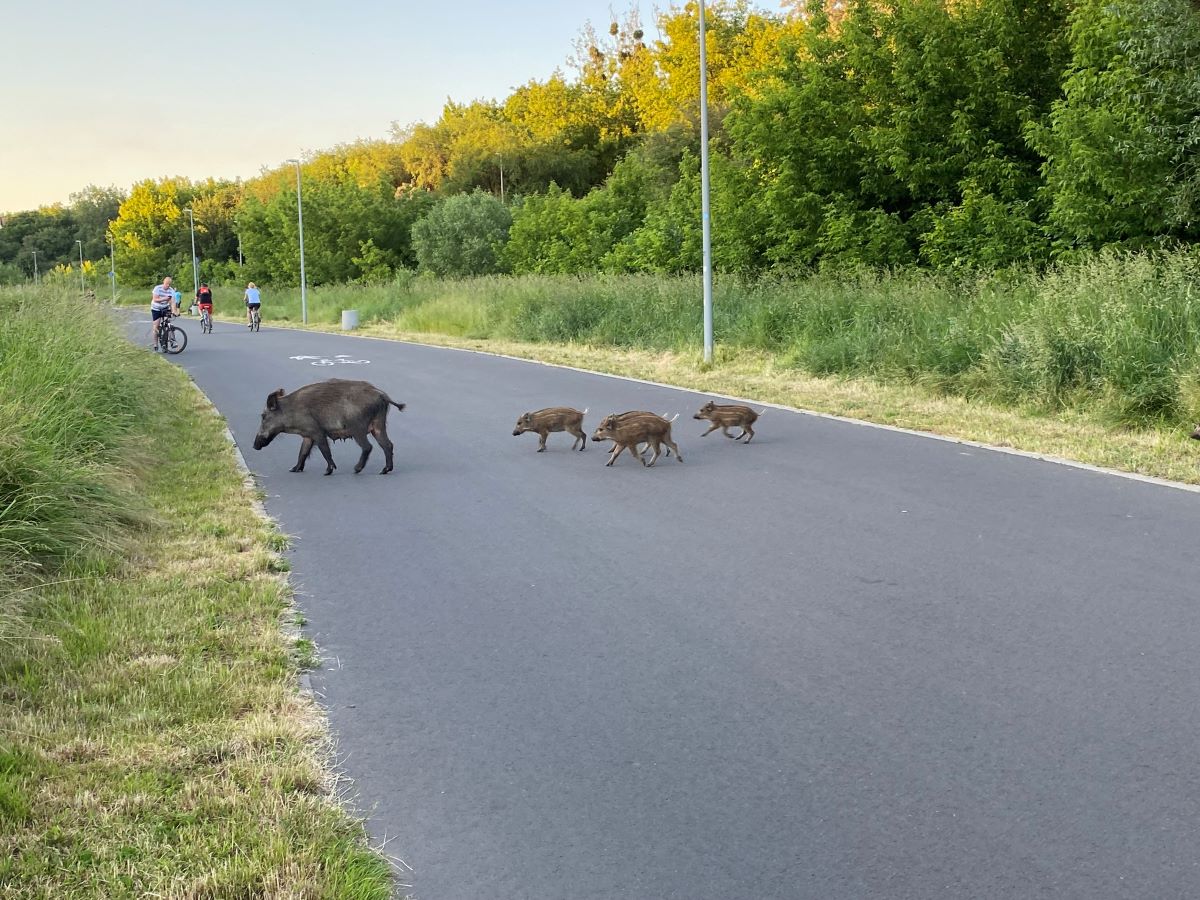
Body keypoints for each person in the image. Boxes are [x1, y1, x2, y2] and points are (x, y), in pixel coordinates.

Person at [150, 276, 181, 349]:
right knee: (156, 326)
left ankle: (172, 341)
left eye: (169, 284)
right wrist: (165, 298)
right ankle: (155, 344)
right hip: (156, 308)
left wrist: (174, 311)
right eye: (167, 284)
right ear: (164, 282)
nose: (168, 285)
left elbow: (173, 302)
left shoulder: (171, 290)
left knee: (169, 324)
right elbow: (155, 299)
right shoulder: (157, 288)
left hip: (165, 308)